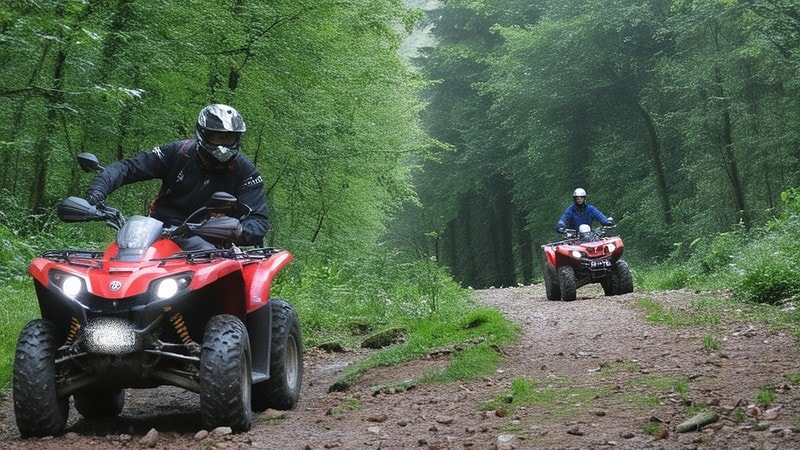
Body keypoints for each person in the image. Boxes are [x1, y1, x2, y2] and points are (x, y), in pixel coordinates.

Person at [85, 104, 269, 250]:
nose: (223, 144)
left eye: (229, 138)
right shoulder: (179, 153)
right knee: (115, 258)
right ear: (203, 134)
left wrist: (234, 230)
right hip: (154, 233)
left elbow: (258, 221)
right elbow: (129, 167)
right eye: (218, 137)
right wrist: (97, 192)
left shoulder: (245, 172)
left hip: (210, 244)